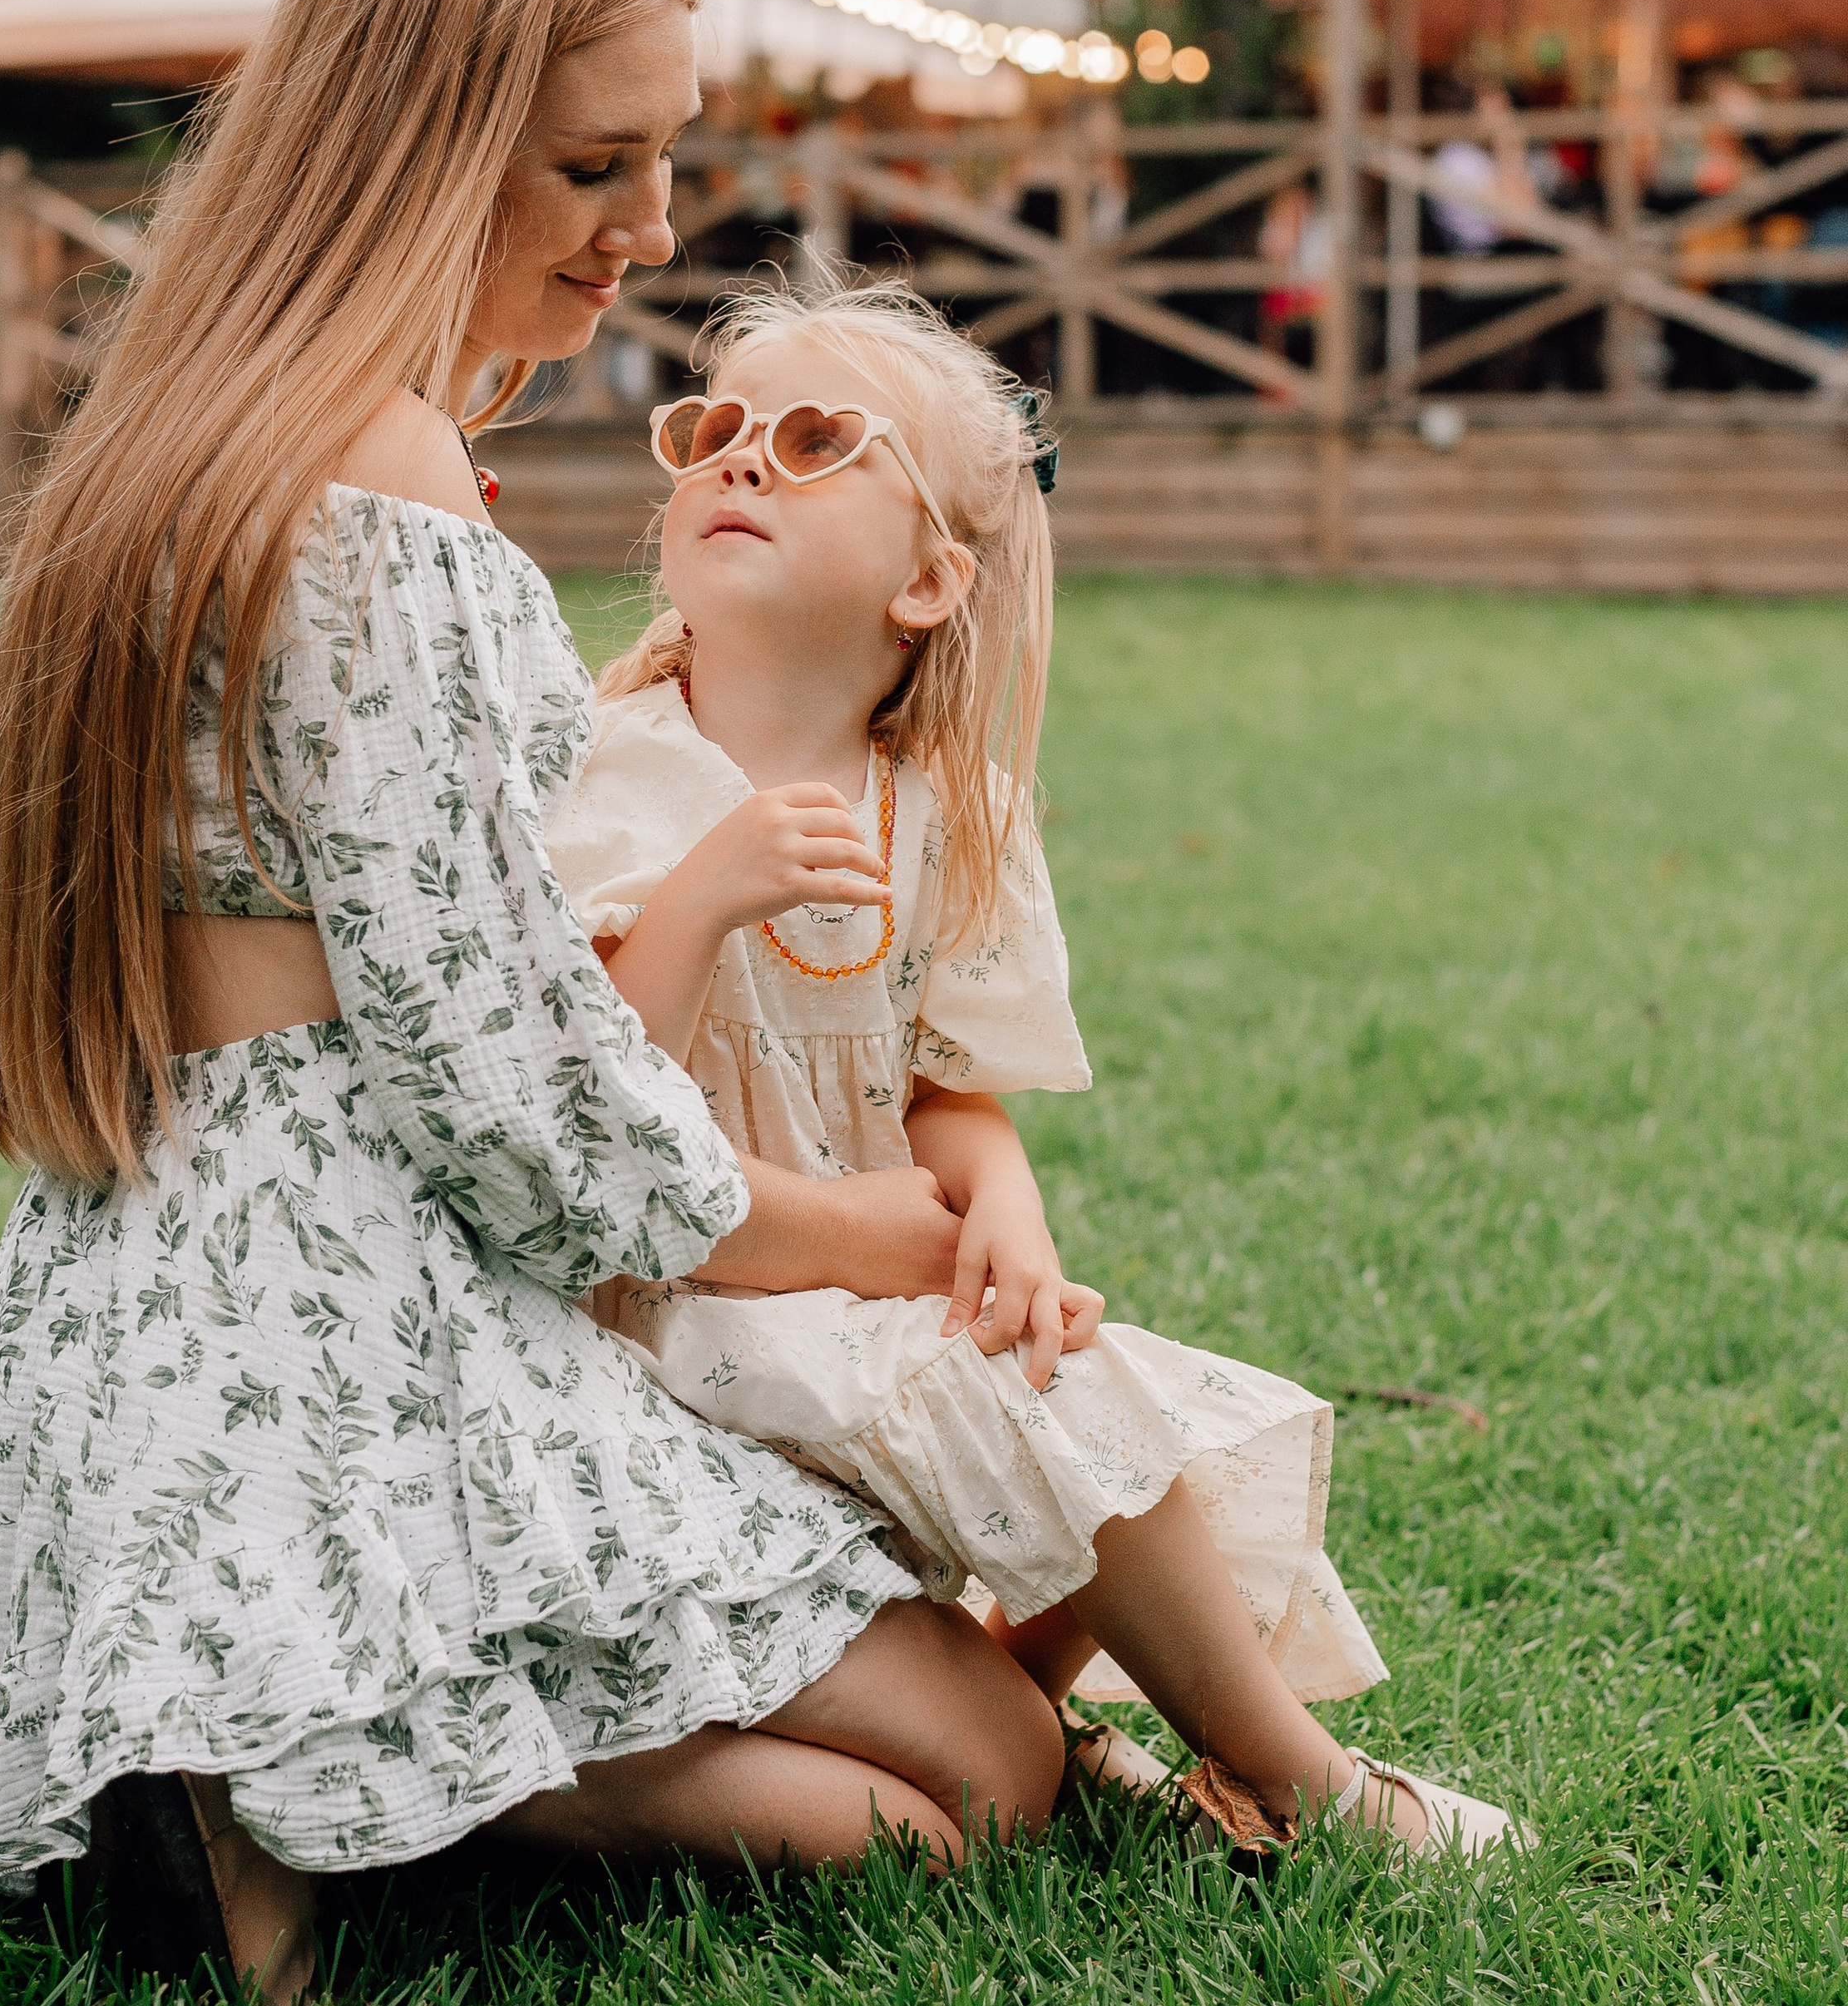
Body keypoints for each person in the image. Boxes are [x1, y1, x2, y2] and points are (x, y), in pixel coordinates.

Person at [0, 0, 1066, 2006]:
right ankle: (323, 1769)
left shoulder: (189, 438)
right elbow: (499, 1096)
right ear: (420, 143)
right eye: (599, 160)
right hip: (359, 1322)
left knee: (947, 1777)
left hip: (144, 1318)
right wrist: (858, 1224)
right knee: (980, 1778)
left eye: (665, 156)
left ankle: (293, 1750)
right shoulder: (384, 496)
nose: (653, 228)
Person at [545, 281, 1525, 1864]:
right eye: (714, 431)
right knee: (1046, 1410)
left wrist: (1004, 1204)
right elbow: (584, 1106)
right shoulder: (607, 771)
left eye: (811, 441)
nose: (739, 462)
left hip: (860, 1287)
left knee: (1080, 1382)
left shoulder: (946, 811)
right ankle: (1297, 1779)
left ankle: (1121, 1736)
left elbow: (941, 1090)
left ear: (928, 582)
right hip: (675, 1303)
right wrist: (699, 896)